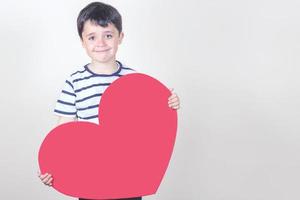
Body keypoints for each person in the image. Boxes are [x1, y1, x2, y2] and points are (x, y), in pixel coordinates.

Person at [38, 2, 180, 200]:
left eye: (108, 35)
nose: (101, 43)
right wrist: (51, 165)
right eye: (92, 37)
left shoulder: (134, 80)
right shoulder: (74, 81)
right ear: (82, 41)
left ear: (120, 37)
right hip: (89, 173)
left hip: (129, 173)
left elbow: (150, 123)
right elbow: (62, 131)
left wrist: (168, 103)